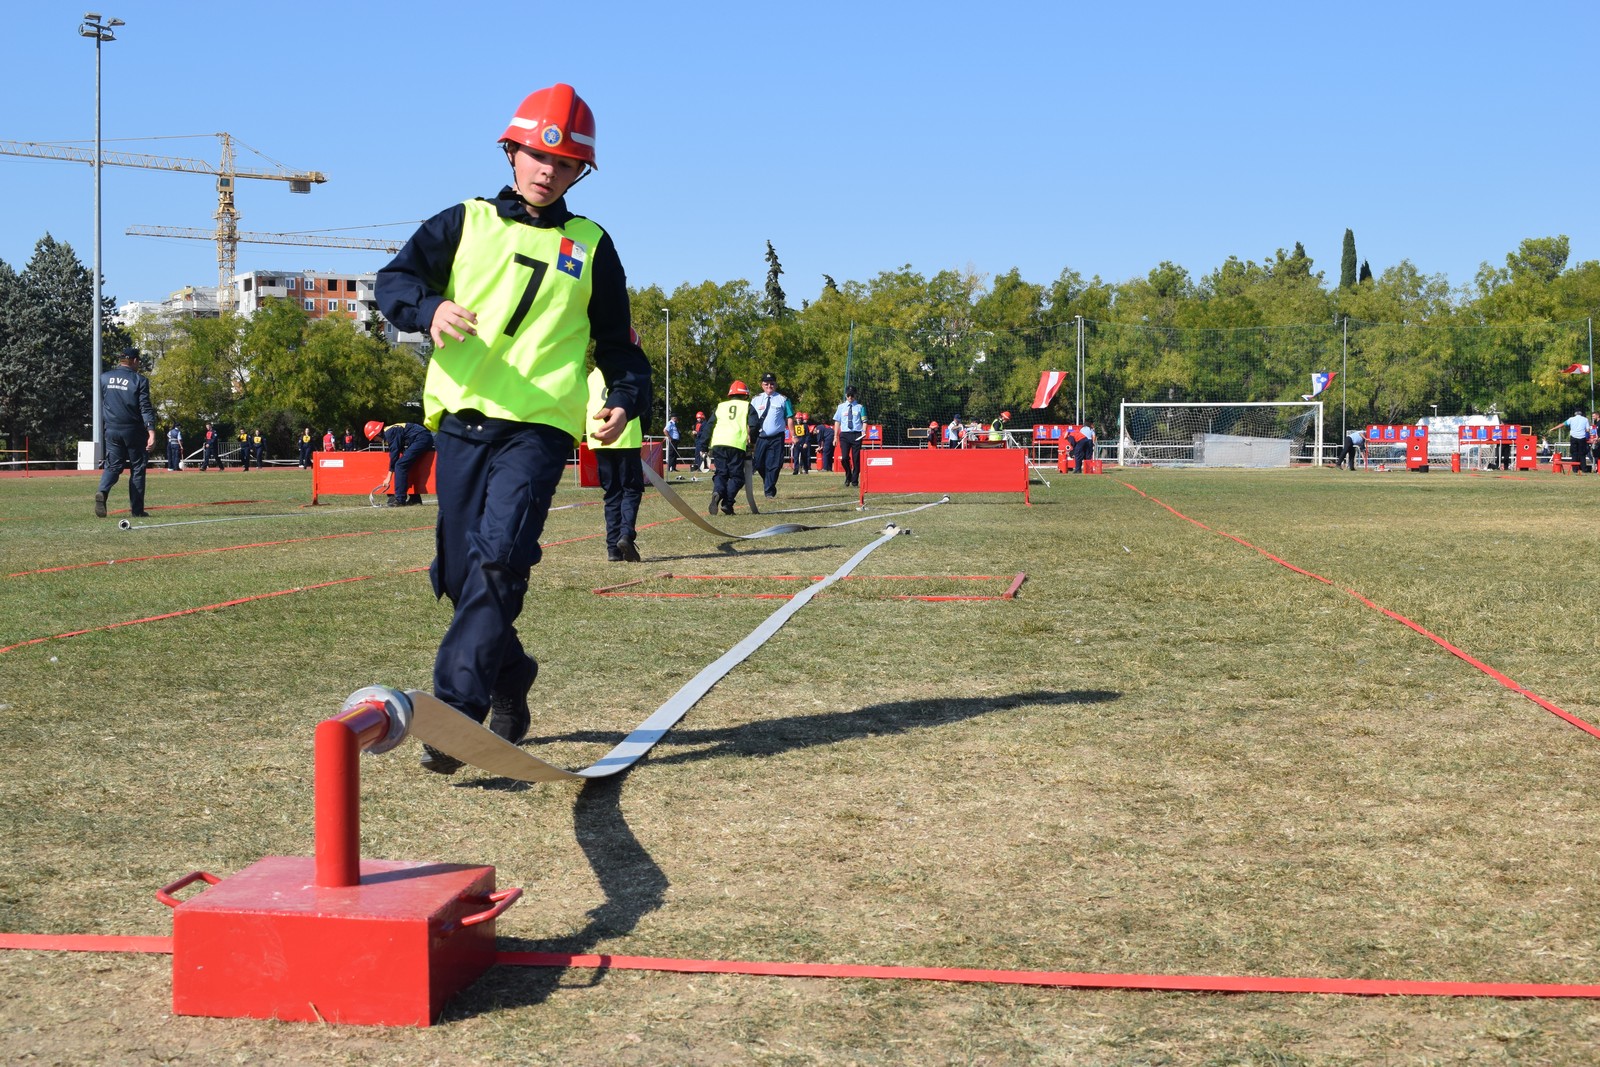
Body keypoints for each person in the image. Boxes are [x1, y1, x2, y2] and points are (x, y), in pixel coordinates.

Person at [375, 82, 651, 774]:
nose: (546, 171)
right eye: (536, 155)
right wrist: (428, 307)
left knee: (500, 560)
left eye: (563, 165)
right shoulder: (463, 221)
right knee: (459, 576)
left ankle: (452, 715)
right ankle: (511, 674)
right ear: (511, 150)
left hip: (538, 432)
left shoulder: (592, 245)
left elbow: (618, 341)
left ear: (578, 172)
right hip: (462, 424)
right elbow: (394, 280)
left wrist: (625, 390)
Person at [588, 367, 644, 561]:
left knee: (612, 494)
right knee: (631, 489)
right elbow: (642, 404)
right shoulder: (632, 368)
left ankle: (613, 549)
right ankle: (626, 535)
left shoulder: (593, 376)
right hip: (626, 437)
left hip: (599, 437)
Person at [94, 347, 156, 518]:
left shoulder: (104, 378)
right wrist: (151, 431)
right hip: (133, 430)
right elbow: (145, 407)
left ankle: (103, 491)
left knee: (112, 465)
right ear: (134, 361)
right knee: (137, 468)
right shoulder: (139, 380)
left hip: (112, 428)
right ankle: (137, 510)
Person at [703, 380, 752, 515]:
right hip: (736, 443)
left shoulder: (720, 406)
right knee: (737, 477)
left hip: (718, 443)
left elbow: (709, 426)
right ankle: (727, 503)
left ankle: (717, 492)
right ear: (745, 395)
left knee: (721, 473)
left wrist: (703, 445)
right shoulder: (747, 406)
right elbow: (755, 425)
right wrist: (751, 440)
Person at [366, 419, 435, 506]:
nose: (375, 440)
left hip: (421, 438)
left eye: (374, 438)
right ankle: (415, 498)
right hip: (422, 437)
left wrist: (388, 477)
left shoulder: (390, 433)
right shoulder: (391, 431)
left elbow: (394, 455)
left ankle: (400, 499)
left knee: (400, 465)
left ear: (378, 433)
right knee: (405, 466)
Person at [750, 372, 793, 498]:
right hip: (760, 437)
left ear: (776, 384)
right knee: (759, 464)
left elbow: (789, 418)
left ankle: (768, 491)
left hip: (776, 437)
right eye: (766, 384)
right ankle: (769, 483)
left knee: (774, 464)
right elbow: (750, 419)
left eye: (772, 383)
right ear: (762, 385)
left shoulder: (783, 399)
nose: (769, 386)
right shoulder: (755, 399)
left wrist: (793, 435)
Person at [834, 386, 866, 488]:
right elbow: (837, 421)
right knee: (844, 458)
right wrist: (835, 436)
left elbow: (864, 421)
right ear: (845, 395)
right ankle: (848, 475)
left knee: (856, 459)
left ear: (855, 395)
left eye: (852, 395)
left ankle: (855, 480)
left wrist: (863, 431)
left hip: (856, 434)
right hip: (845, 435)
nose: (850, 397)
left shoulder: (860, 407)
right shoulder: (841, 407)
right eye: (848, 395)